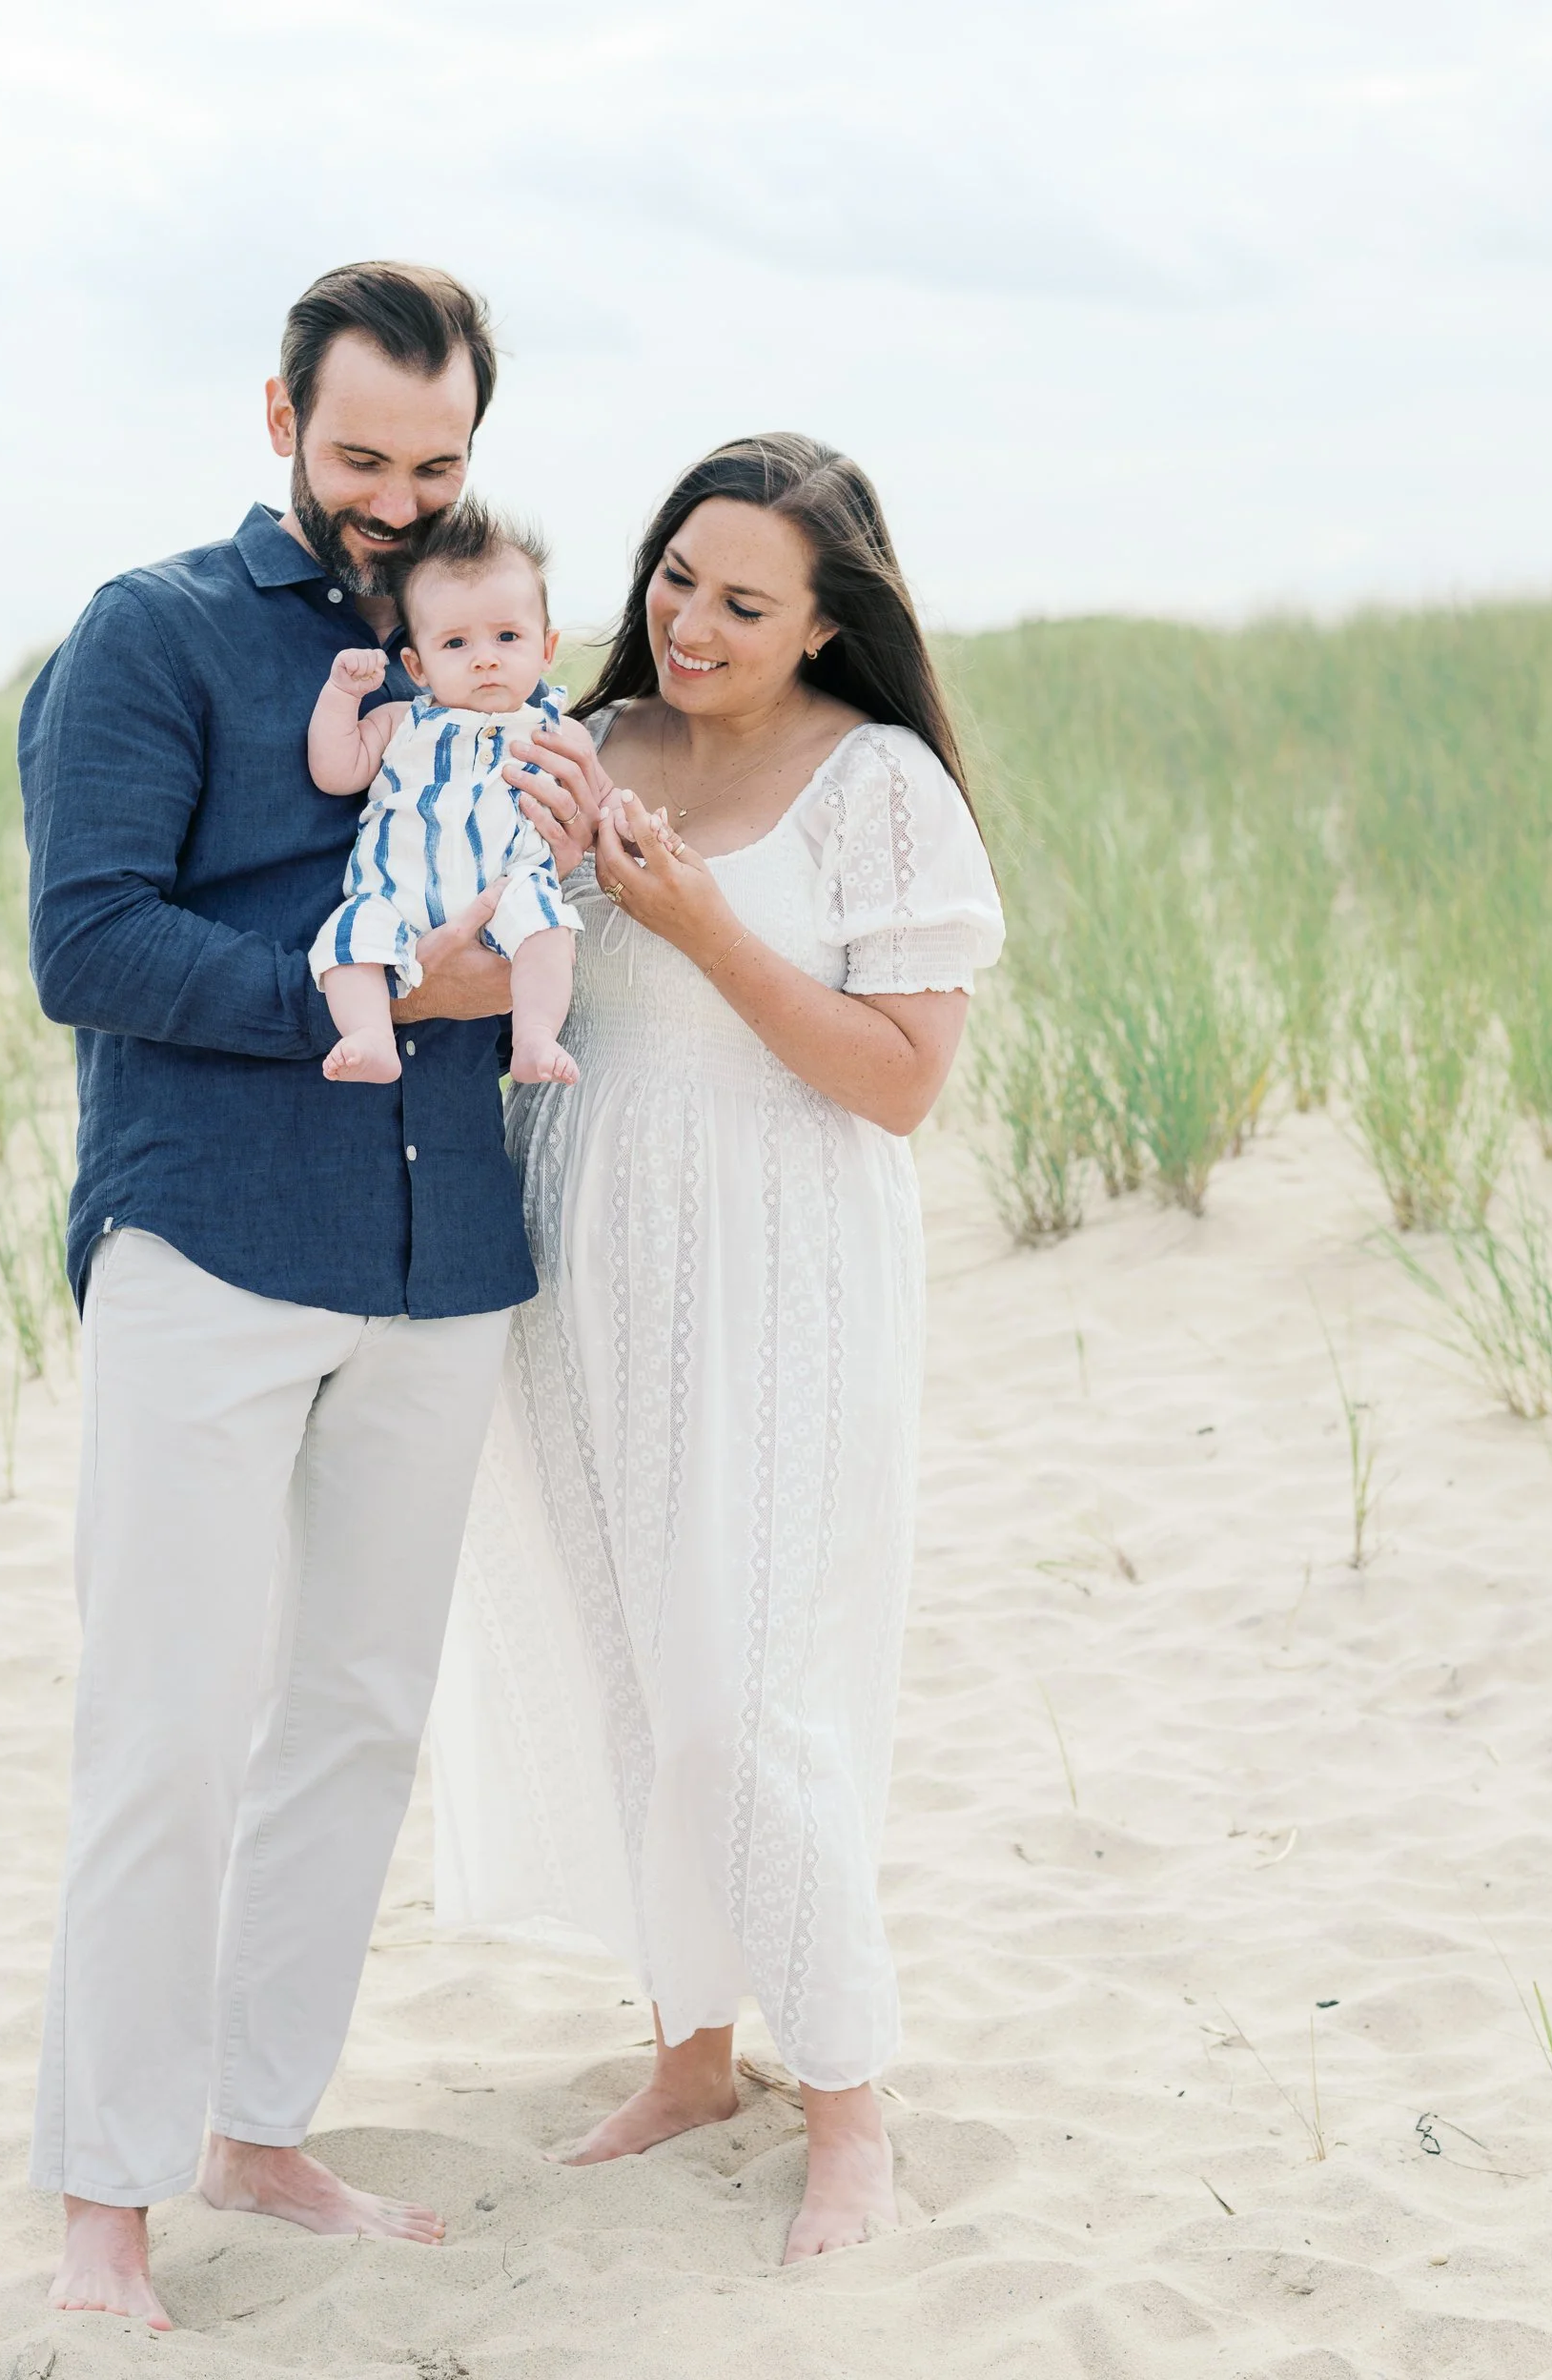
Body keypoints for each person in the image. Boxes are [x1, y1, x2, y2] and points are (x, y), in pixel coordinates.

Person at [17, 260, 582, 2331]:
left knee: (354, 1711)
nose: (391, 495)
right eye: (358, 455)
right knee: (162, 1721)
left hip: (443, 1267)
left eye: (432, 460)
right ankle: (104, 2199)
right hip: (210, 1237)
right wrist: (362, 995)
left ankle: (259, 2121)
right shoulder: (149, 632)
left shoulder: (494, 634)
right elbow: (86, 942)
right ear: (278, 423)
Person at [430, 433, 1007, 2262]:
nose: (689, 622)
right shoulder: (587, 746)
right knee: (629, 1664)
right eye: (678, 576)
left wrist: (691, 922)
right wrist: (497, 875)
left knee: (747, 1687)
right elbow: (471, 964)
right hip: (583, 1241)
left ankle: (847, 2104)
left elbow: (903, 1083)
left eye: (744, 603)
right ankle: (687, 2054)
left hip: (785, 1245)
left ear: (830, 624)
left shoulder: (880, 782)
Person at [306, 502, 581, 1089]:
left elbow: (599, 808)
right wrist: (341, 696)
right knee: (348, 938)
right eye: (455, 643)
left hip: (507, 888)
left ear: (547, 649)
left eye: (508, 636)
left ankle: (535, 1035)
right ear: (417, 664)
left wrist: (605, 825)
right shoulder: (400, 720)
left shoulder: (556, 729)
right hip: (395, 898)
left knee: (547, 924)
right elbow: (335, 770)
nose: (485, 657)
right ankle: (372, 1036)